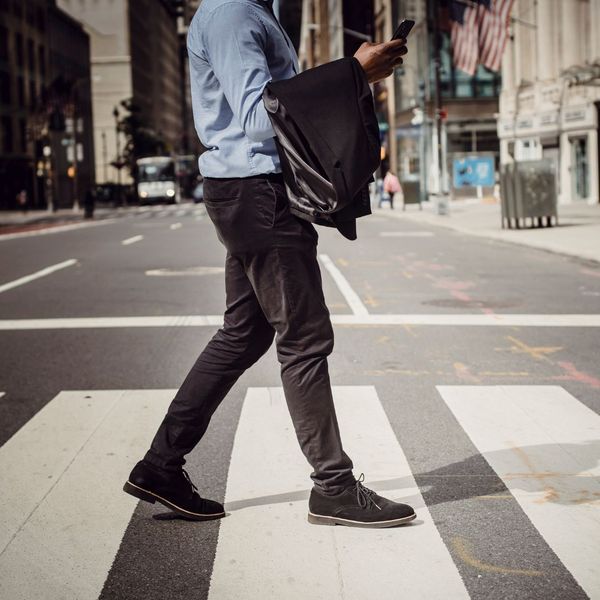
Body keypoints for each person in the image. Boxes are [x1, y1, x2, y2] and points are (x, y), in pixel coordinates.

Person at [123, 0, 416, 528]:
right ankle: (333, 487)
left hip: (250, 192)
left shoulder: (257, 11)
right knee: (304, 339)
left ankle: (160, 465)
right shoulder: (235, 14)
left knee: (243, 333)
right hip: (257, 193)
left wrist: (354, 76)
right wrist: (352, 73)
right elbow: (260, 120)